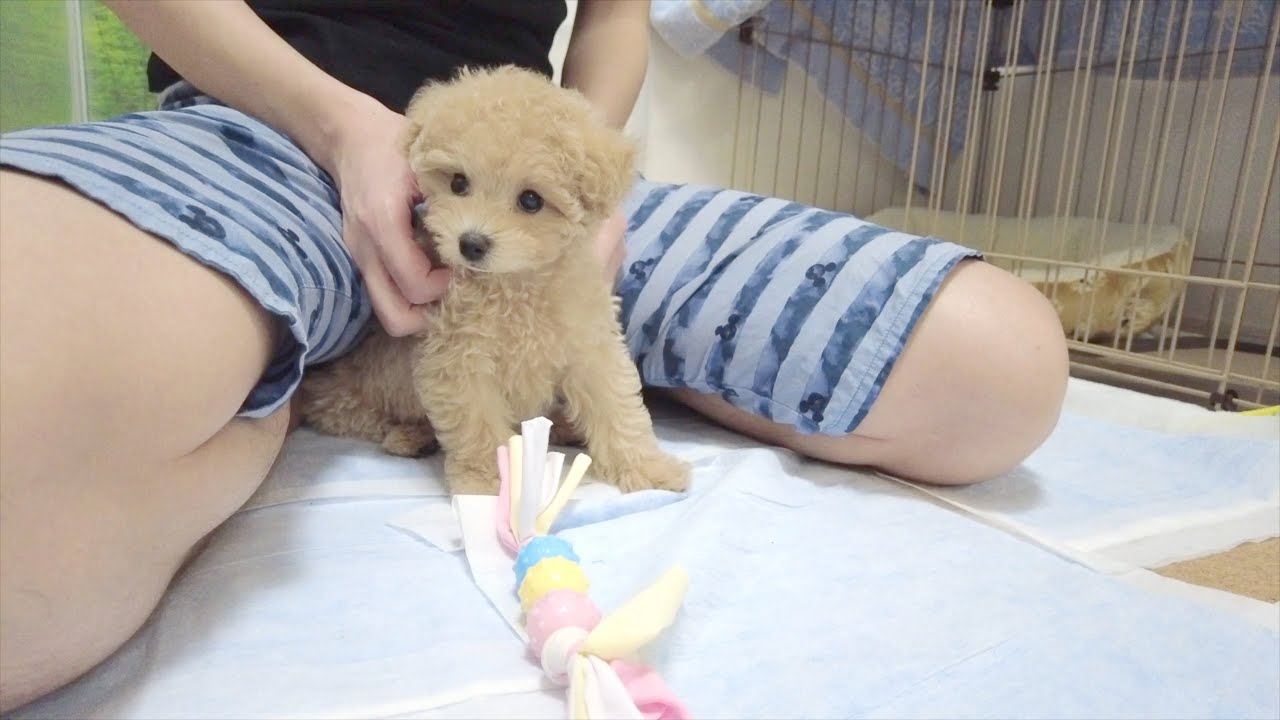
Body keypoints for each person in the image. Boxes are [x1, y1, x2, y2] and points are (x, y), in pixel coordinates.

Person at [0, 0, 1068, 711]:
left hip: (538, 180)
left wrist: (576, 197)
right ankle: (282, 384)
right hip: (258, 132)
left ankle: (468, 359)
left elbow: (615, 15)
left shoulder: (566, 182)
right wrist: (338, 127)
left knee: (997, 376)